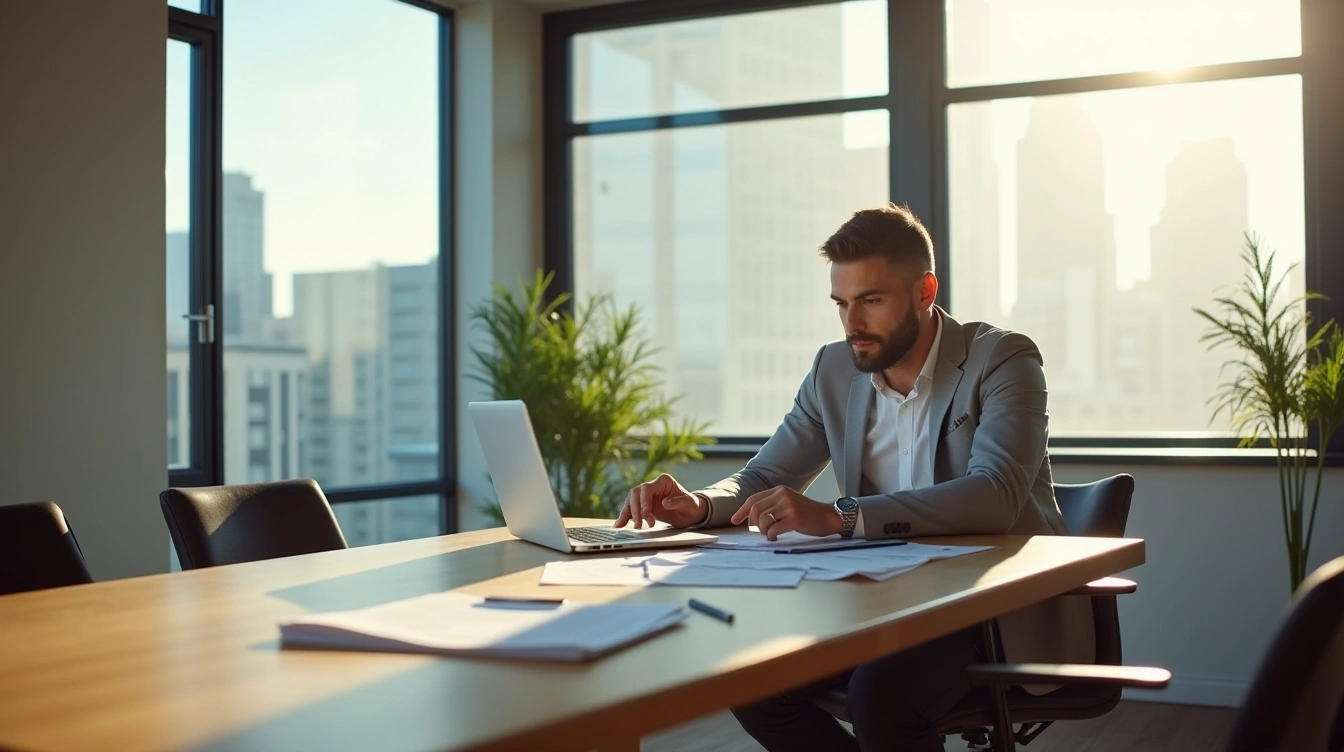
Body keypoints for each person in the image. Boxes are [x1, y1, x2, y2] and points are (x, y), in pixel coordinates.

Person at [614, 204, 1093, 751]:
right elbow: (768, 471)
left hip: (988, 609)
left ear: (924, 291)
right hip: (877, 603)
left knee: (882, 697)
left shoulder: (1002, 359)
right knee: (753, 679)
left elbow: (995, 495)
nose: (852, 323)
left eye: (871, 301)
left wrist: (839, 516)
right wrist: (698, 504)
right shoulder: (834, 369)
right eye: (841, 304)